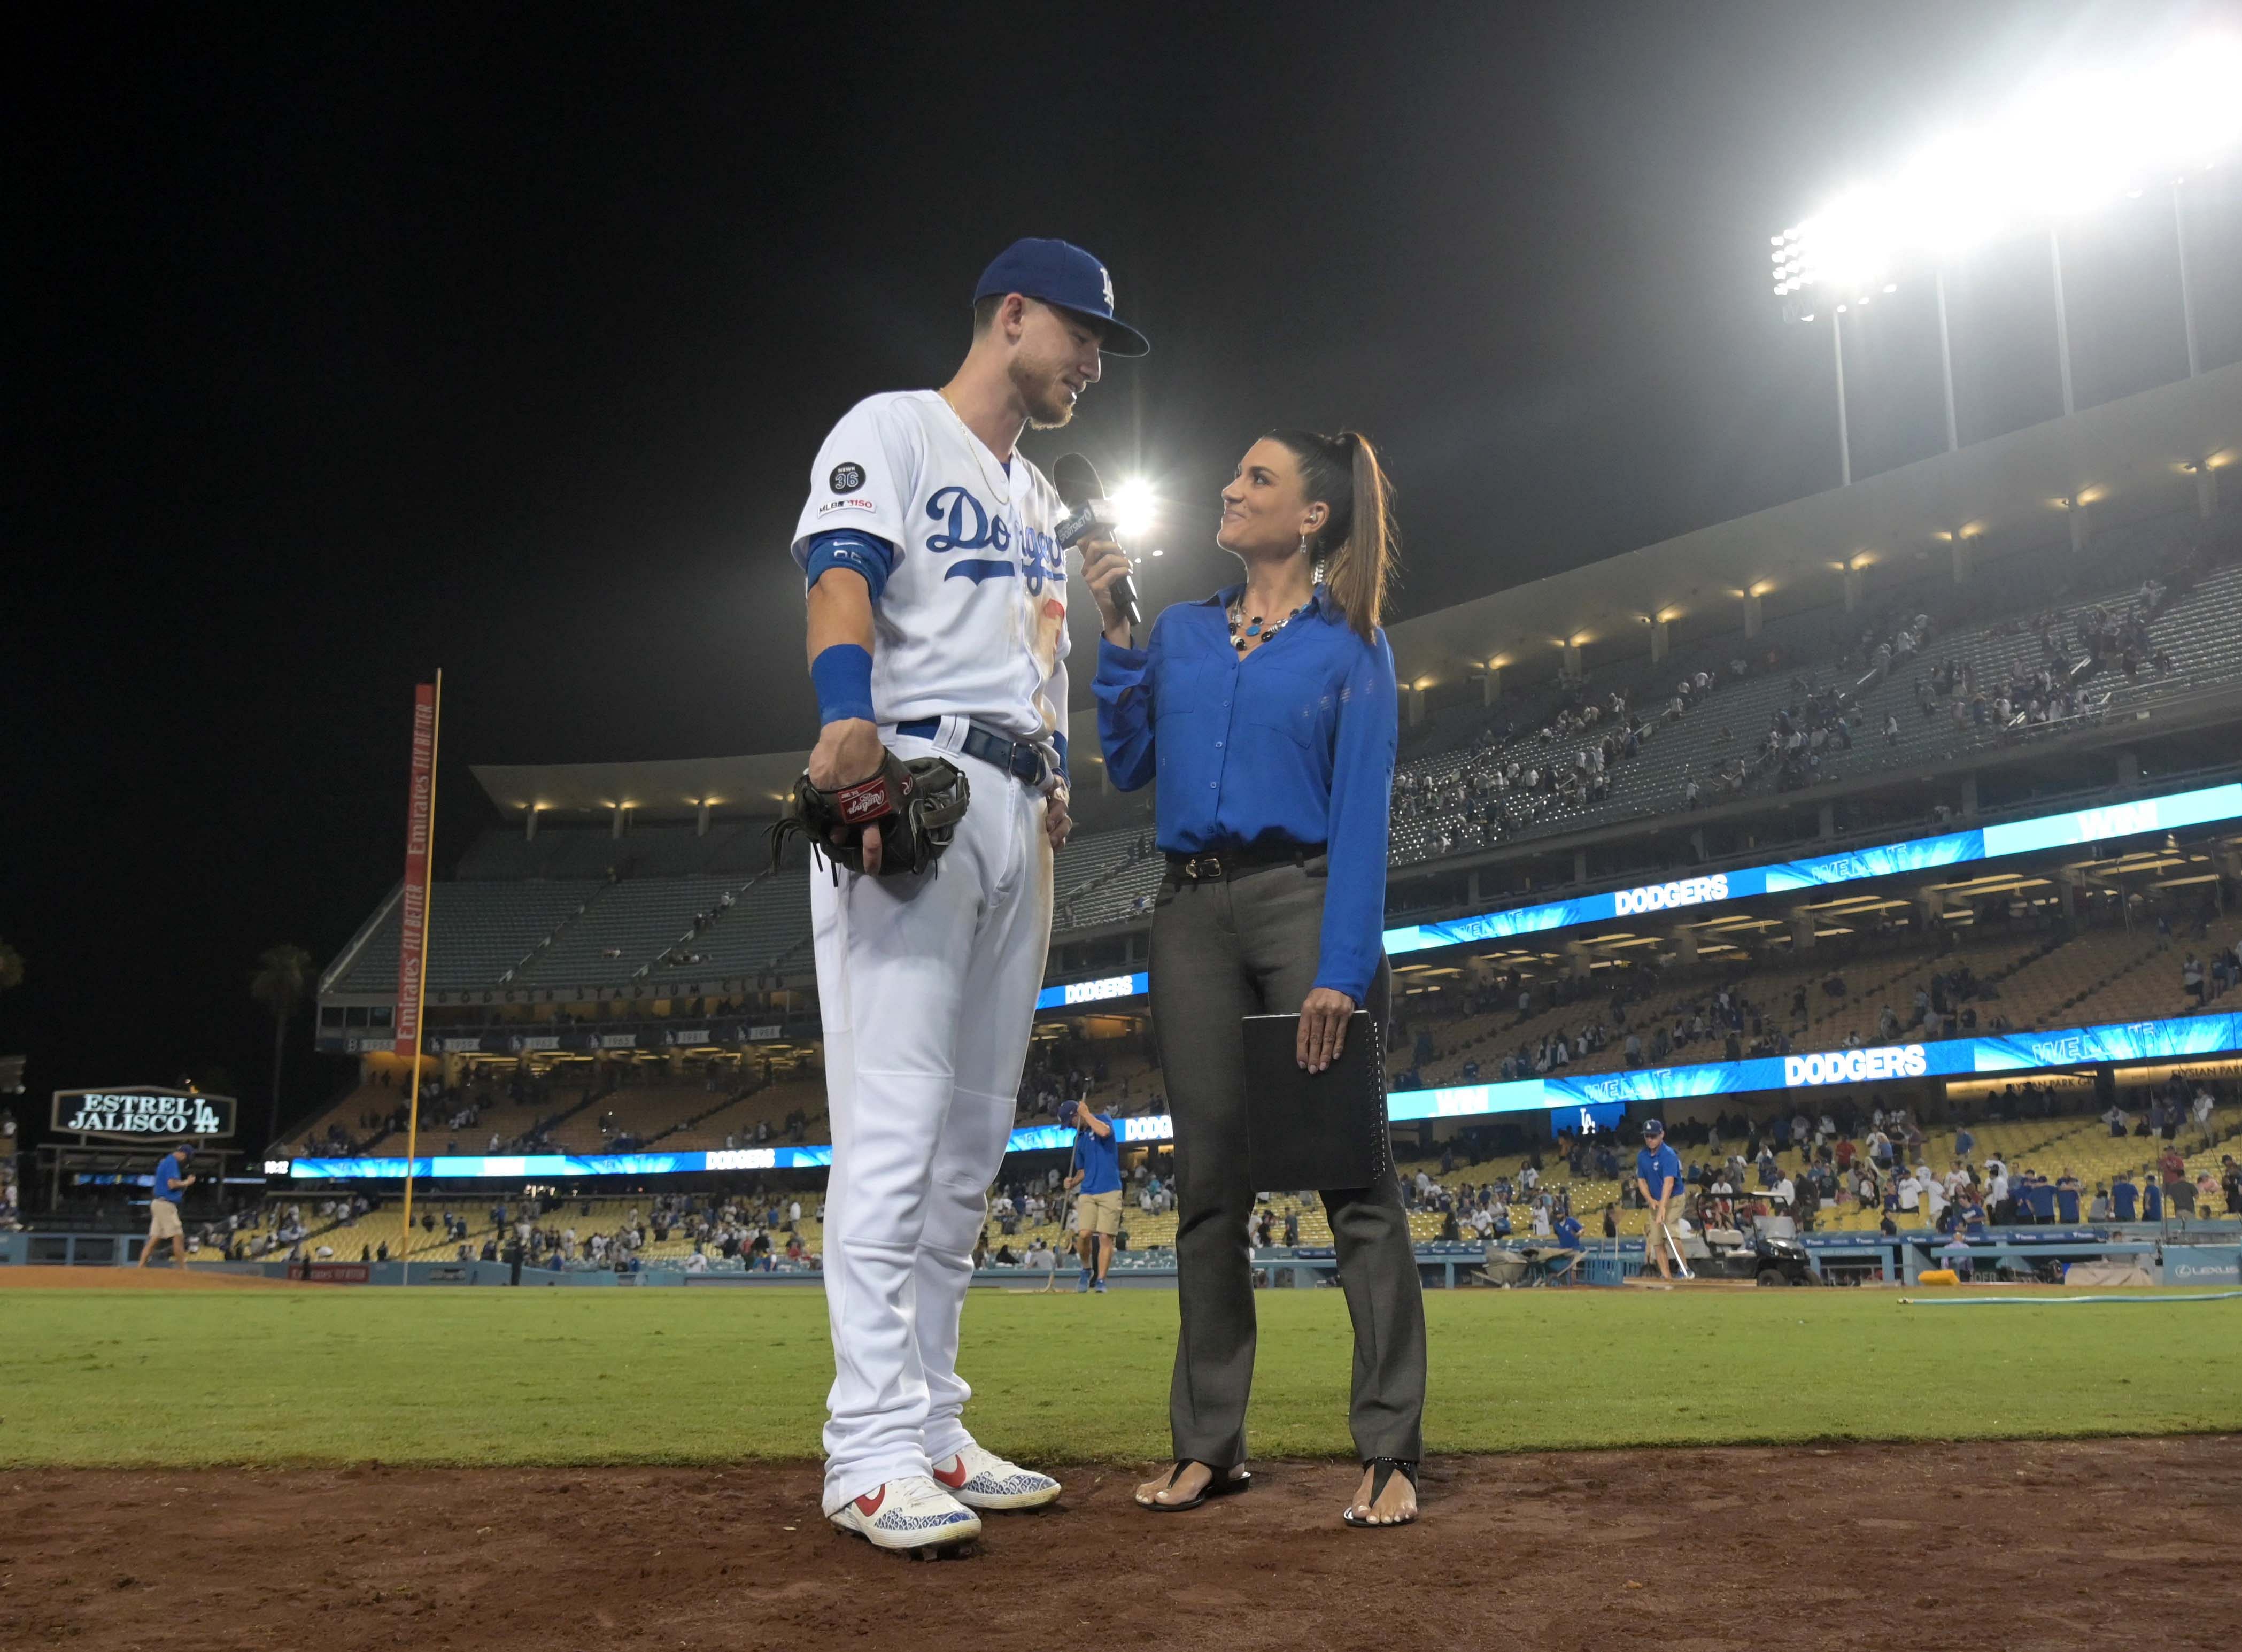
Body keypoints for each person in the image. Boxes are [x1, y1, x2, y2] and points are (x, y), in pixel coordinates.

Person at [790, 237, 1145, 1553]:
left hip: (1018, 809)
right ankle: (867, 1450)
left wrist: (1053, 769)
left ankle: (934, 1423)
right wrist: (844, 720)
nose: (1097, 360)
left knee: (971, 1146)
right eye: (1085, 334)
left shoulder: (1043, 494)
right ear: (1011, 316)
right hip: (918, 776)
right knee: (894, 1130)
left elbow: (1040, 650)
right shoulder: (894, 428)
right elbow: (839, 570)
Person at [1091, 426, 1425, 1530]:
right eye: (1234, 475)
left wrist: (1342, 966)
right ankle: (1209, 1449)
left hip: (1303, 904)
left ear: (1313, 515)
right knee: (1208, 1192)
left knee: (1353, 1186)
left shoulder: (1354, 645)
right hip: (1189, 913)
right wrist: (1121, 635)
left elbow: (1364, 817)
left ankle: (1388, 1450)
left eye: (1257, 479)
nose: (1230, 490)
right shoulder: (1186, 631)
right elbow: (1134, 762)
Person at [1060, 1098, 1120, 1293]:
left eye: (1070, 1123)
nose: (1070, 1128)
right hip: (1088, 1191)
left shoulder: (1103, 1119)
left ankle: (1101, 1280)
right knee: (1084, 1235)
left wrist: (1086, 1114)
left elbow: (1104, 1132)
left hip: (1110, 1189)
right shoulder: (1079, 1140)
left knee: (1105, 1237)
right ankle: (1087, 1269)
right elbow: (1083, 1171)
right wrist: (1073, 1182)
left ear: (1076, 1116)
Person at [1635, 1120, 1689, 1280]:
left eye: (1653, 1136)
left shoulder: (1669, 1155)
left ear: (1662, 1135)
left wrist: (1663, 1207)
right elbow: (1641, 1181)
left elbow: (1669, 1183)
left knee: (1671, 1233)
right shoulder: (1642, 1156)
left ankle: (1685, 1270)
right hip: (1656, 1200)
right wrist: (1650, 1200)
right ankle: (1667, 1277)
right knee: (1656, 1239)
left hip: (1673, 1198)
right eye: (1647, 1136)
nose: (1650, 1140)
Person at [136, 1146, 196, 1269]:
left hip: (159, 1203)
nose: (185, 1161)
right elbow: (172, 1184)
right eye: (186, 1158)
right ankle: (184, 1269)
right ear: (183, 1154)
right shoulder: (172, 1162)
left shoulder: (167, 1161)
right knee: (178, 1235)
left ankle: (140, 1267)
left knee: (156, 1238)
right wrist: (187, 1183)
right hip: (165, 1205)